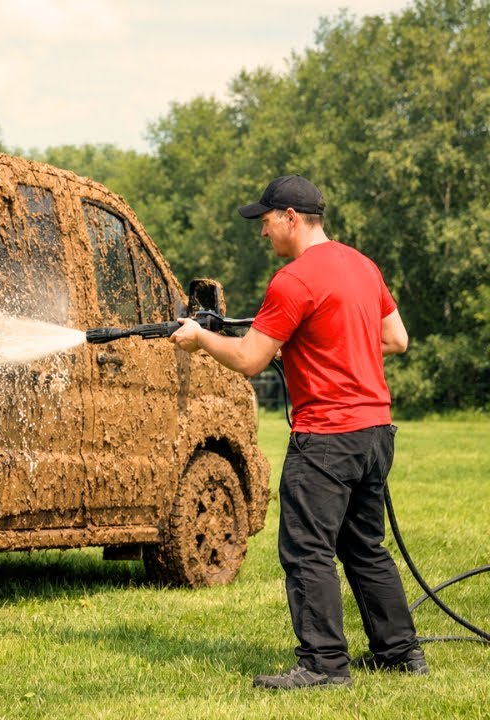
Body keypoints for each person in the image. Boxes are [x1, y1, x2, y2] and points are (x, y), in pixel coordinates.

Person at [170, 175, 427, 690]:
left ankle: (324, 666)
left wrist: (199, 338)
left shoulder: (294, 280)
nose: (262, 234)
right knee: (364, 547)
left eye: (265, 222)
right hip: (375, 432)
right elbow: (395, 338)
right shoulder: (361, 265)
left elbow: (247, 358)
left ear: (290, 217)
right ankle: (401, 654)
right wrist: (318, 341)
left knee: (306, 550)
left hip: (327, 437)